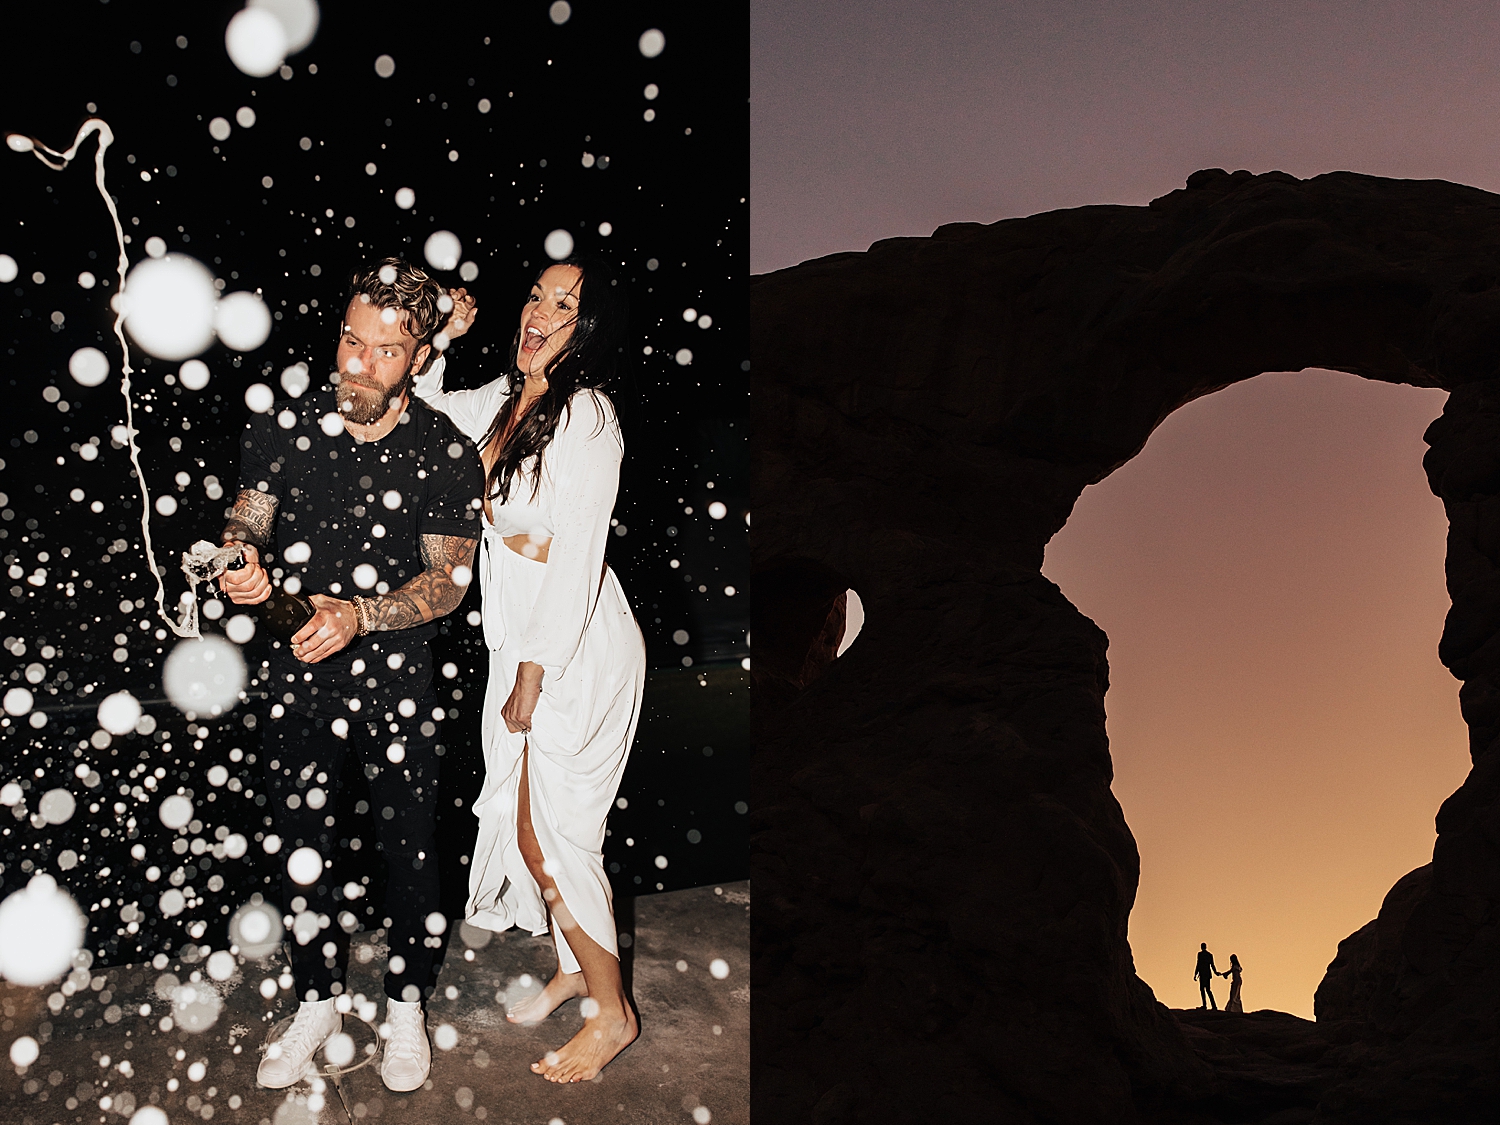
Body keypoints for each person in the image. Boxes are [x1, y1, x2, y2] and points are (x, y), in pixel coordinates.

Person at [218, 256, 484, 1092]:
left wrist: (360, 614)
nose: (357, 364)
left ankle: (407, 1002)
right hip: (296, 673)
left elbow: (446, 582)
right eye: (349, 341)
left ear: (419, 359)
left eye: (383, 351)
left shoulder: (443, 450)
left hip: (399, 679)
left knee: (409, 849)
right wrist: (240, 563)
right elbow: (247, 516)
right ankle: (317, 999)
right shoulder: (287, 425)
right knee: (301, 846)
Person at [411, 255, 646, 1083]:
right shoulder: (507, 405)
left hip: (574, 645)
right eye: (537, 295)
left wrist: (535, 672)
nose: (540, 311)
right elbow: (427, 410)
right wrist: (441, 334)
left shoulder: (589, 416)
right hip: (522, 642)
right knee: (524, 819)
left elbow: (578, 553)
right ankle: (577, 969)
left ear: (589, 328)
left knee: (552, 836)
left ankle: (611, 1012)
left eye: (565, 303)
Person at [1194, 943, 1221, 1010]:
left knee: (1203, 990)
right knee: (1208, 990)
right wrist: (1215, 972)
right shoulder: (1209, 955)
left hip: (1203, 974)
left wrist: (1195, 974)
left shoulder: (1200, 954)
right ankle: (1213, 1006)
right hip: (1207, 974)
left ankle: (1205, 1005)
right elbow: (1212, 965)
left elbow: (1198, 964)